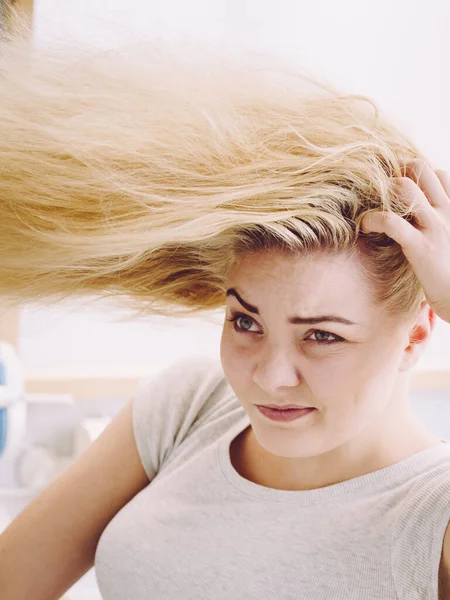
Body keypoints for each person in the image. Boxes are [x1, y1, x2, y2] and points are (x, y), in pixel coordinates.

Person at [0, 16, 450, 600]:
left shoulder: (430, 516)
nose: (267, 374)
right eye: (246, 322)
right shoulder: (188, 406)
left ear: (416, 333)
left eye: (322, 336)